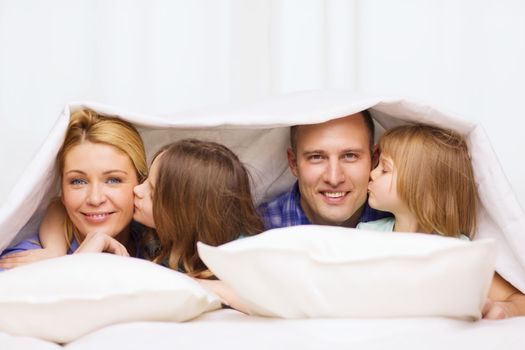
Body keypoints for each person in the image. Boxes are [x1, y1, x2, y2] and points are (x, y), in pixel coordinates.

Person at [359, 123, 525, 319]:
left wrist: (503, 310)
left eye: (384, 169)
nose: (372, 173)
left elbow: (519, 299)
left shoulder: (459, 251)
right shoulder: (365, 235)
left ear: (421, 188)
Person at [0, 108, 148, 269]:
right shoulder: (26, 263)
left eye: (113, 180)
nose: (95, 199)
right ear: (62, 191)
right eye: (78, 181)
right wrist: (70, 267)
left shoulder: (154, 241)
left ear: (141, 184)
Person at [133, 139, 264, 278]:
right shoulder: (143, 231)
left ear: (185, 216)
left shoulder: (240, 257)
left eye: (153, 195)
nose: (137, 189)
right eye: (145, 178)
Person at [259, 110, 389, 229]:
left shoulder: (403, 225)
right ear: (294, 163)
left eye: (350, 156)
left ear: (374, 159)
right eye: (316, 157)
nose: (334, 179)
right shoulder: (256, 231)